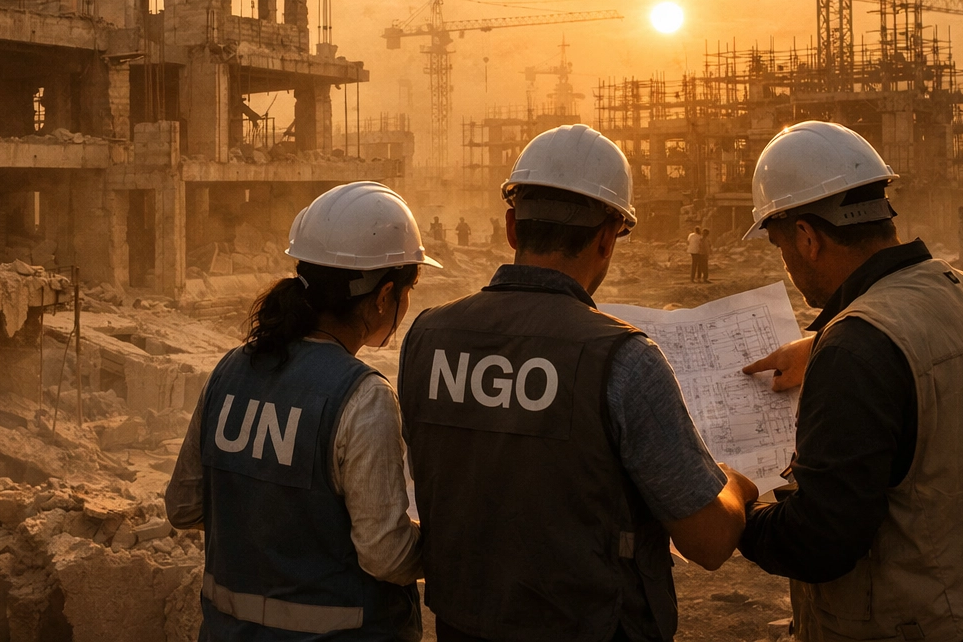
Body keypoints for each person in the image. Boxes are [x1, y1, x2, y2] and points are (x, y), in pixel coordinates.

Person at [399, 124, 759, 642]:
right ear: (608, 238)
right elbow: (708, 541)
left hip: (465, 625)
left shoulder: (426, 338)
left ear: (512, 227)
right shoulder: (623, 359)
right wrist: (735, 487)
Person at [737, 121, 963, 642]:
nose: (788, 264)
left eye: (780, 246)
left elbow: (823, 540)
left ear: (806, 237)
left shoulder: (857, 347)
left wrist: (740, 511)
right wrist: (824, 347)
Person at [166, 181, 442, 641]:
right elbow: (385, 554)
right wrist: (449, 549)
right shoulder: (363, 397)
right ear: (382, 297)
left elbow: (183, 506)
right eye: (407, 290)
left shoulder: (230, 371)